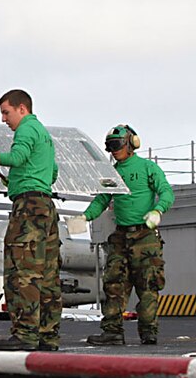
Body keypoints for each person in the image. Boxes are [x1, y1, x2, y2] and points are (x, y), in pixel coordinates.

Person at [0, 89, 61, 351]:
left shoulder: (26, 130)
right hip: (46, 207)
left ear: (22, 109)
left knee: (23, 272)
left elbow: (17, 158)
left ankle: (26, 334)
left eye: (6, 112)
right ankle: (48, 336)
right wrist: (19, 179)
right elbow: (52, 173)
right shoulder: (44, 134)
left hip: (28, 209)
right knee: (48, 274)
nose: (3, 119)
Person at [74, 125, 174, 346]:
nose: (113, 151)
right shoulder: (112, 173)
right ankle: (112, 332)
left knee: (148, 285)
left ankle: (148, 331)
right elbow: (102, 200)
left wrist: (158, 210)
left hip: (145, 236)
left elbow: (166, 191)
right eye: (109, 147)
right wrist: (85, 217)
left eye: (116, 145)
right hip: (120, 236)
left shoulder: (148, 168)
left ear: (130, 144)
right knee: (114, 283)